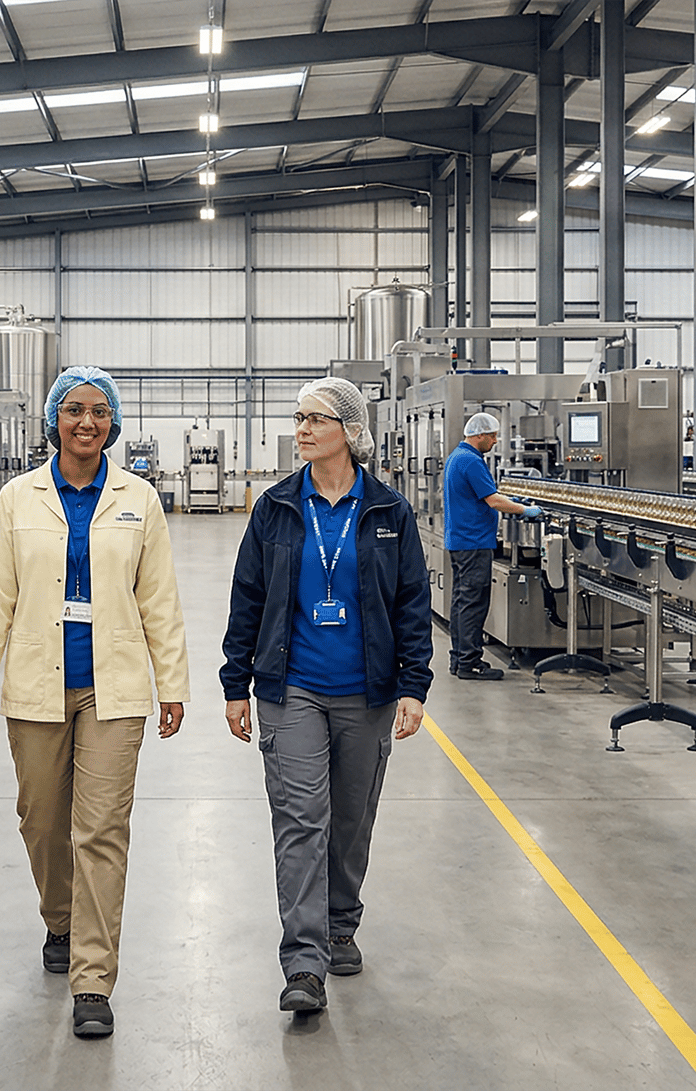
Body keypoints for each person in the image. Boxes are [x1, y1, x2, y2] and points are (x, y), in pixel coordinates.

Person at [0, 366, 190, 1041]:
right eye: (73, 411)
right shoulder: (17, 497)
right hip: (35, 682)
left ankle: (92, 977)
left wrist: (171, 683)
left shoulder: (138, 499)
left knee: (101, 829)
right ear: (55, 420)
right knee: (41, 819)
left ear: (113, 423)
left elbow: (160, 601)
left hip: (114, 688)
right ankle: (59, 917)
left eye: (98, 412)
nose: (86, 423)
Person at [220, 377, 434, 1015]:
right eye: (298, 418)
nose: (302, 430)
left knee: (350, 821)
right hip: (293, 690)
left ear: (350, 430)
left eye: (315, 419)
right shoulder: (277, 508)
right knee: (299, 821)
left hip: (366, 693)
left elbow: (412, 606)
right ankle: (304, 961)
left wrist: (413, 686)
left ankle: (342, 923)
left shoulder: (389, 513)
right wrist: (236, 683)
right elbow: (248, 597)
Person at [442, 412, 543, 680]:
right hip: (473, 543)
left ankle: (459, 658)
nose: (496, 441)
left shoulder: (457, 457)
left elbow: (489, 496)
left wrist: (511, 498)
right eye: (493, 436)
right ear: (479, 435)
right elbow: (493, 501)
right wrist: (525, 509)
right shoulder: (471, 461)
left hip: (462, 541)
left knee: (462, 602)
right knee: (473, 604)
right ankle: (469, 663)